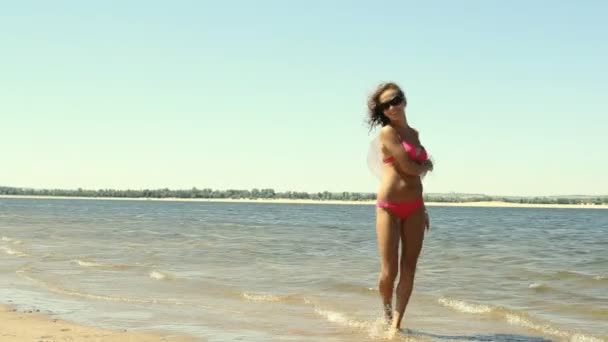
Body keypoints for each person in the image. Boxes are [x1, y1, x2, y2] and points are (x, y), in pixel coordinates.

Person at [366, 82, 433, 332]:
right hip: (389, 207)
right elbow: (409, 168)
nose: (393, 106)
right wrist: (427, 165)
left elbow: (415, 179)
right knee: (388, 271)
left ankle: (395, 325)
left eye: (396, 100)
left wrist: (423, 208)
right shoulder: (387, 133)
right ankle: (385, 311)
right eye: (386, 105)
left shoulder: (415, 133)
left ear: (404, 100)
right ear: (382, 111)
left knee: (409, 269)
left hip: (415, 206)